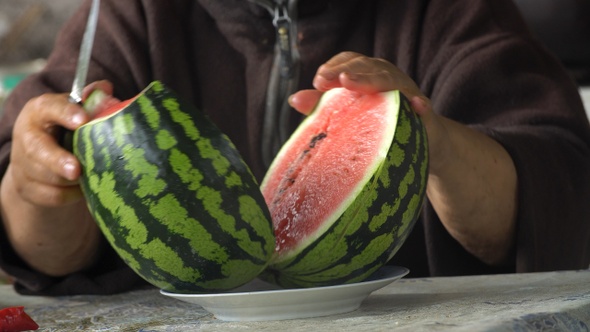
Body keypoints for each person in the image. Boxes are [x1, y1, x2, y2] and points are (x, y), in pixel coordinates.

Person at [1, 0, 589, 296]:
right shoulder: (128, 16)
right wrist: (39, 192)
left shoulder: (454, 13)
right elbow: (46, 244)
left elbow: (566, 195)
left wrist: (431, 142)